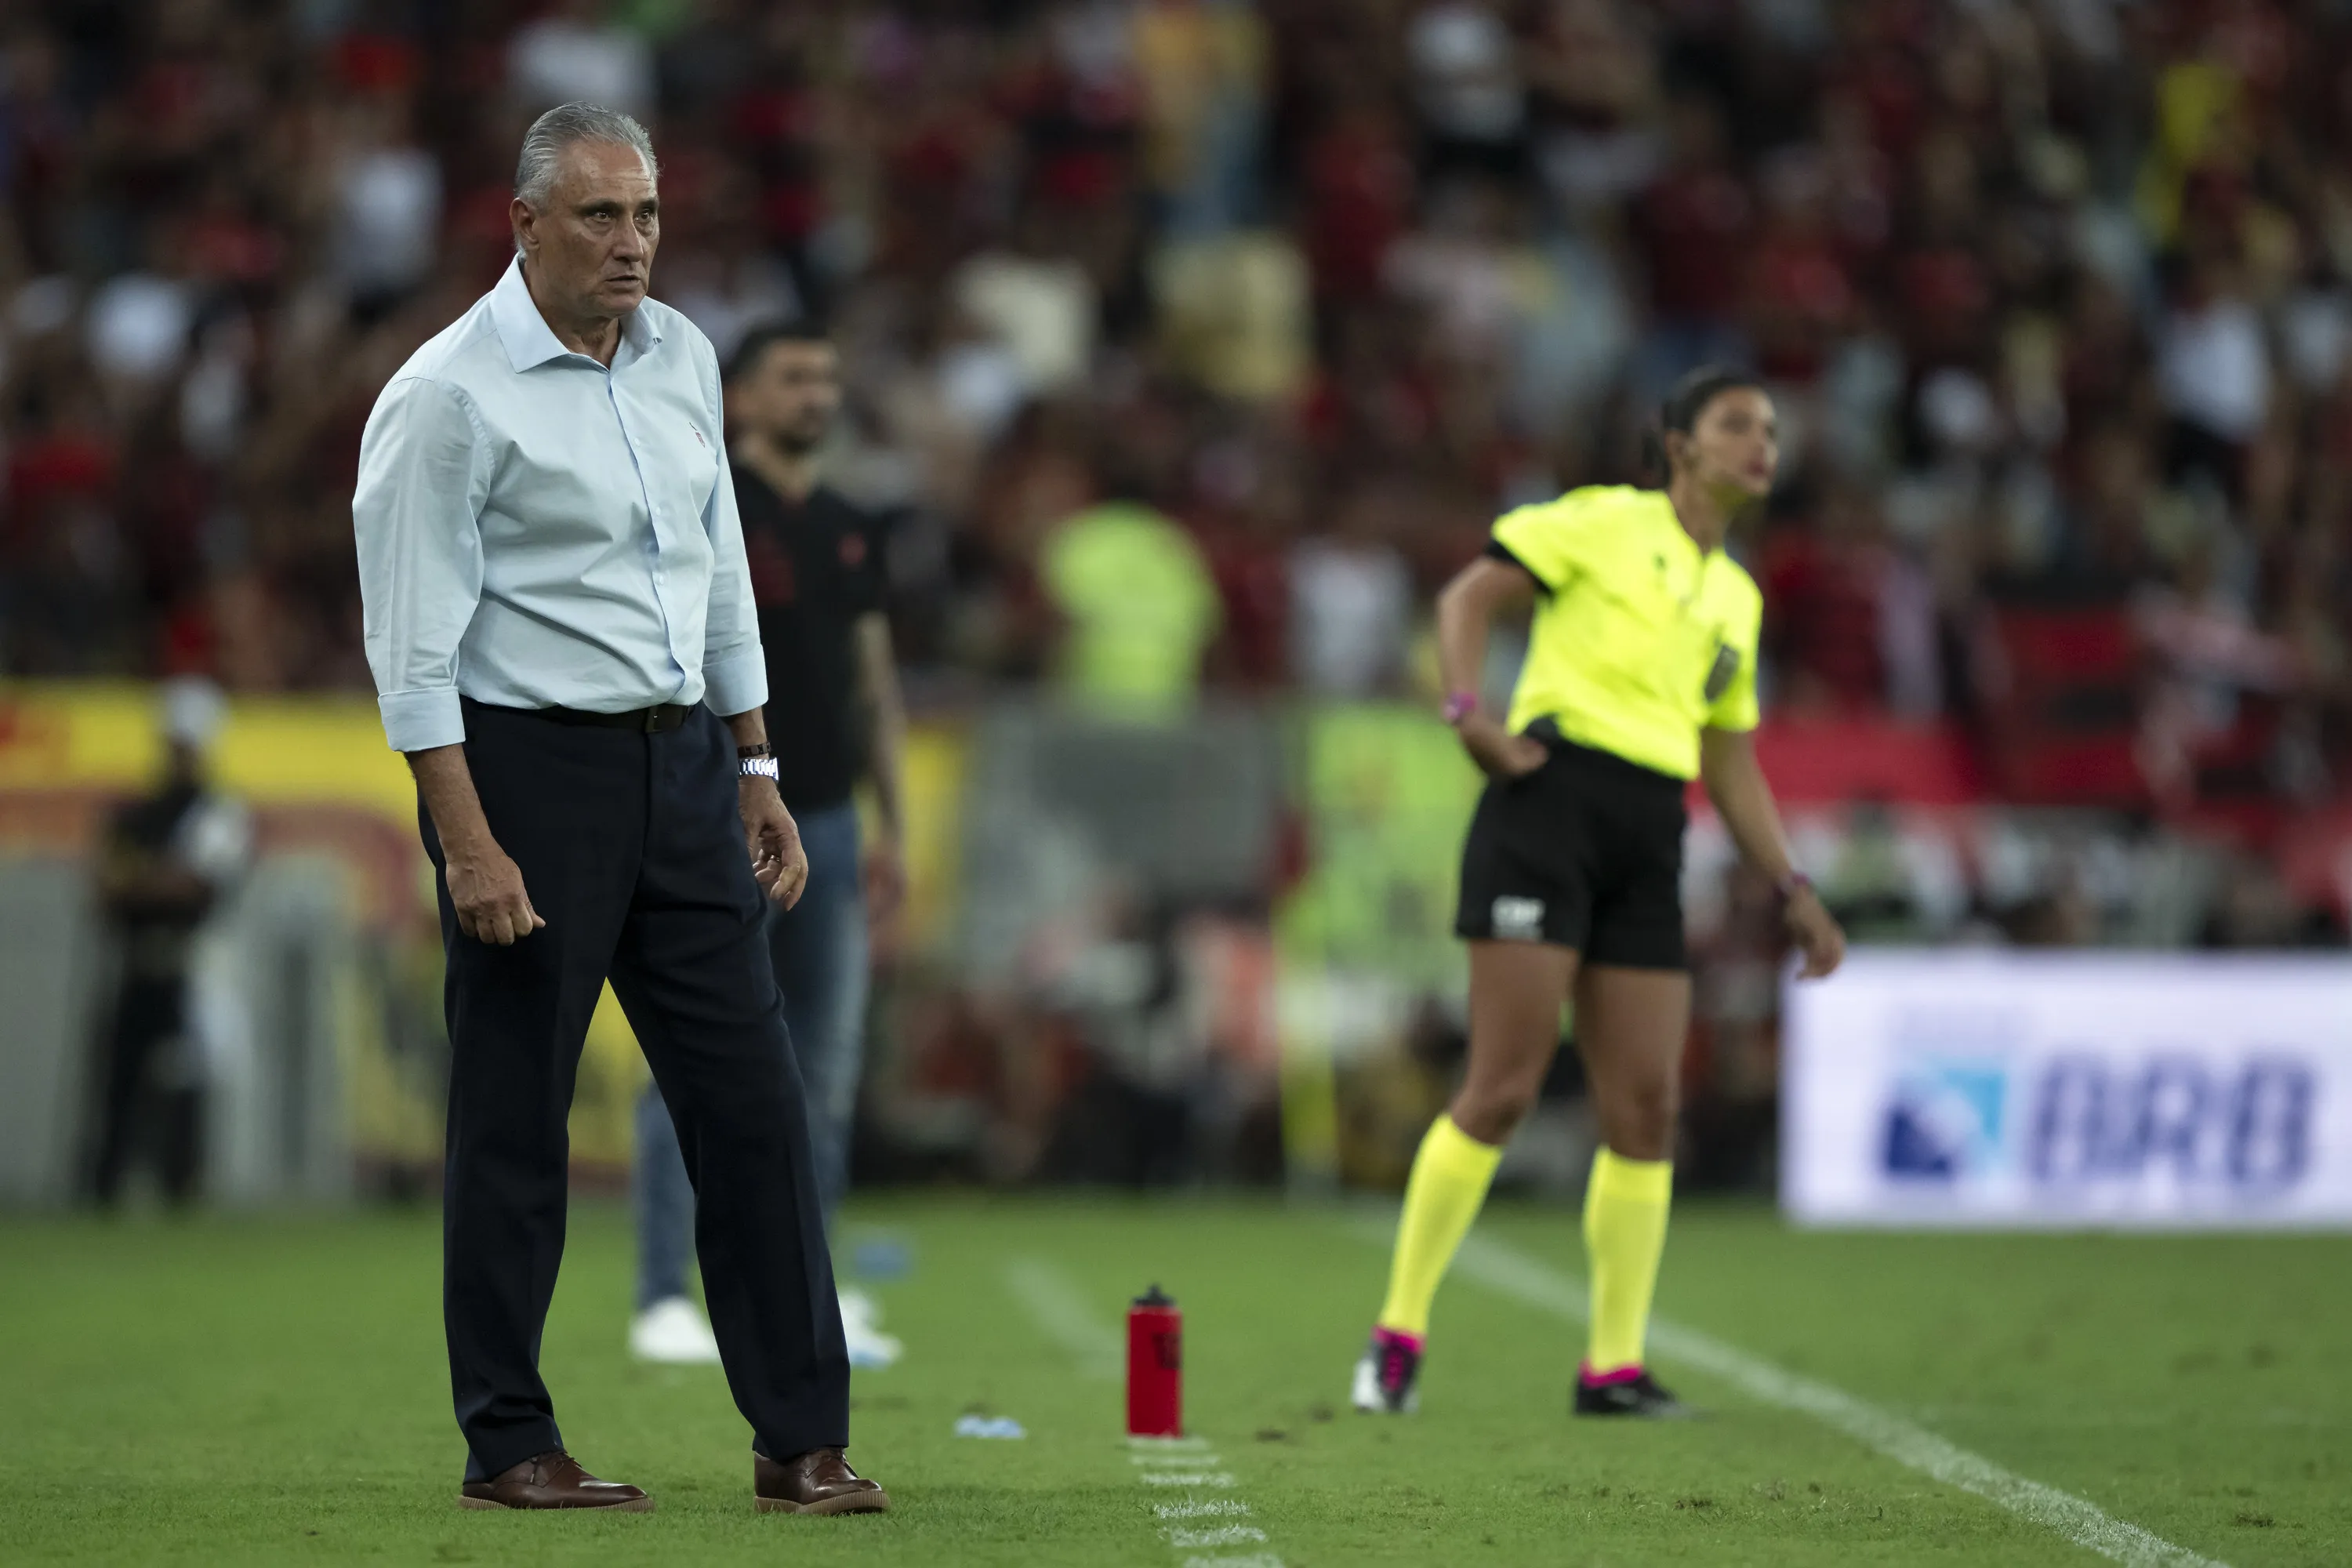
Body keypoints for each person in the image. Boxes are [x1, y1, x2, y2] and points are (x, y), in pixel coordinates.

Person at [351, 102, 887, 1515]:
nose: (631, 242)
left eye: (645, 214)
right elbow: (410, 647)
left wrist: (757, 760)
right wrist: (466, 839)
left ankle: (800, 1438)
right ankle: (509, 1442)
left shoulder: (685, 358)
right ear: (523, 224)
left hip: (688, 774)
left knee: (756, 1108)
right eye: (598, 216)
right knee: (517, 1118)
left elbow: (713, 571)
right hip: (527, 775)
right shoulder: (449, 393)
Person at [1351, 367, 1846, 1419]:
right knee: (1504, 1088)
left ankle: (1610, 1366)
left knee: (1649, 1106)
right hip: (1549, 806)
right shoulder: (1599, 524)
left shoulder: (1737, 597)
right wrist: (1466, 712)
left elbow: (1731, 761)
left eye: (1770, 428)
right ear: (1677, 444)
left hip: (1650, 830)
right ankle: (1397, 1333)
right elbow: (1469, 596)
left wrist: (1792, 886)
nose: (1762, 443)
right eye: (1736, 425)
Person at [630, 320, 910, 1370]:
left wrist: (897, 825)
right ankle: (663, 1295)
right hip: (719, 812)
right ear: (738, 396)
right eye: (794, 377)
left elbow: (873, 682)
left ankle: (812, 1296)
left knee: (821, 1072)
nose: (817, 394)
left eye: (828, 376)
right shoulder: (710, 501)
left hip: (832, 819)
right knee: (692, 1056)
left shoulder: (848, 526)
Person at [88, 677, 249, 1207]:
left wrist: (142, 880)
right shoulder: (137, 812)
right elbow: (107, 887)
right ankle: (105, 1190)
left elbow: (195, 888)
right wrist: (159, 880)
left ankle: (180, 1187)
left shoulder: (217, 811)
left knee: (187, 1080)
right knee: (118, 1077)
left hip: (193, 965)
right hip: (136, 961)